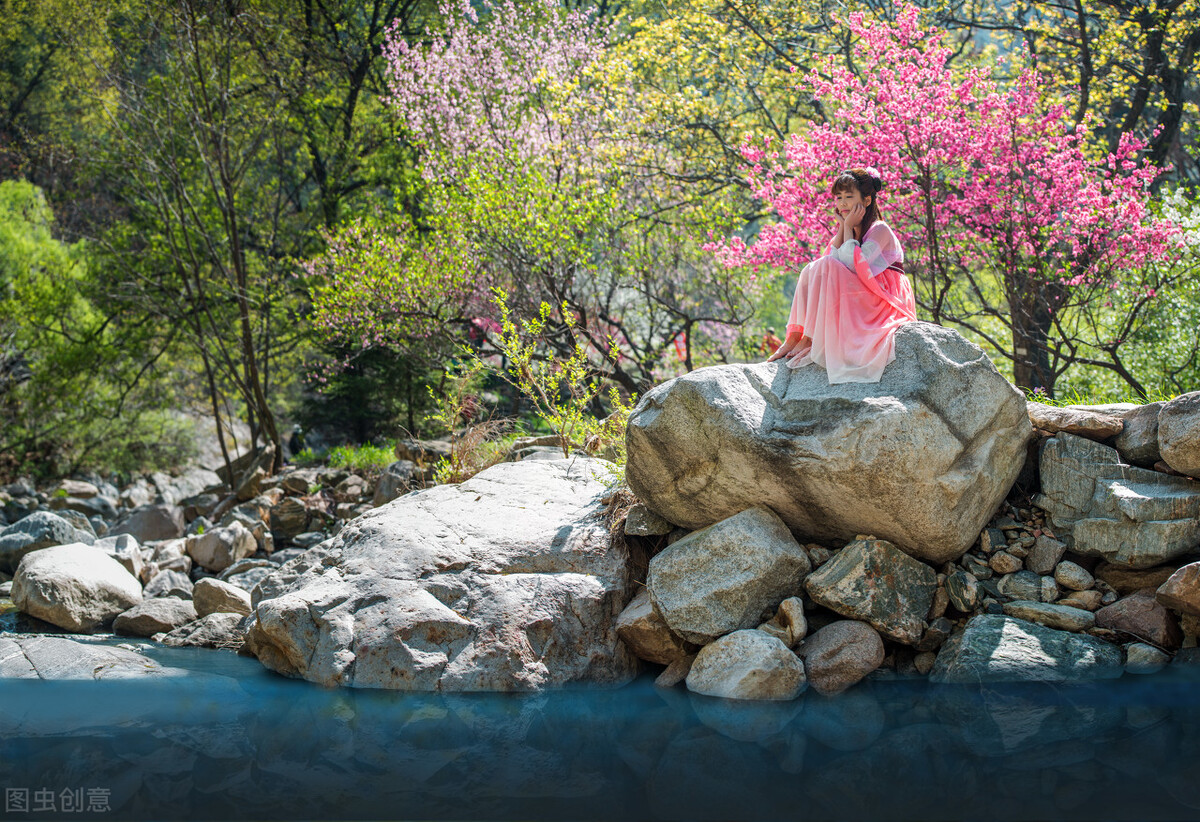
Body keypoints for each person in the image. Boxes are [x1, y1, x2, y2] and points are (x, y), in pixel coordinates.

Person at [766, 167, 917, 383]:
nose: (842, 203)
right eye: (839, 197)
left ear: (866, 200)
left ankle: (810, 337)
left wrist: (846, 226)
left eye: (849, 197)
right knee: (812, 268)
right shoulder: (854, 229)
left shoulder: (880, 229)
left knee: (825, 265)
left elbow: (853, 265)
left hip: (884, 296)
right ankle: (797, 336)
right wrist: (842, 228)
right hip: (866, 290)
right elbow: (830, 260)